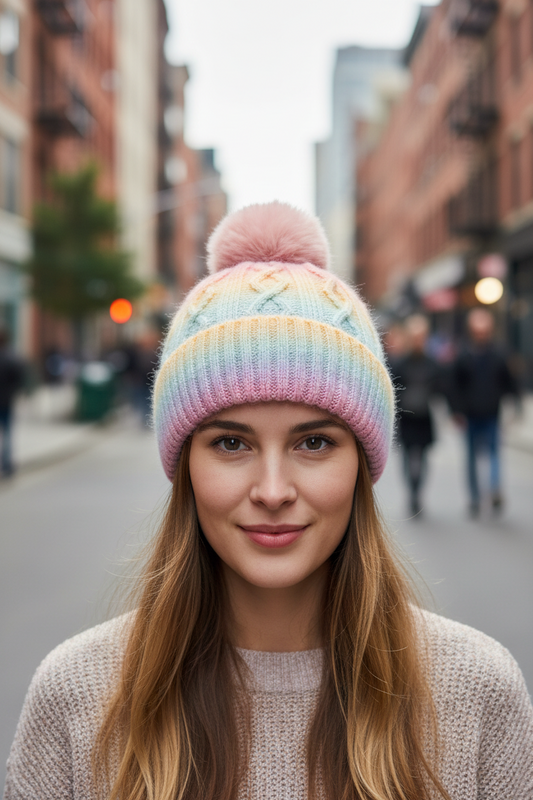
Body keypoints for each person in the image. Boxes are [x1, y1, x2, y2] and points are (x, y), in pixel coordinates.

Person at [4, 204, 533, 800]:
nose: (274, 491)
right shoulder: (75, 698)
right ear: (185, 466)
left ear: (361, 464)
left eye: (314, 442)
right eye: (231, 443)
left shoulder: (479, 694)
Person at [451, 307, 518, 517]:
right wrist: (456, 411)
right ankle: (475, 497)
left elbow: (509, 381)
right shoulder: (463, 356)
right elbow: (454, 385)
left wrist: (515, 403)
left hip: (491, 413)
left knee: (493, 453)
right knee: (471, 456)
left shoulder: (498, 354)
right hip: (470, 415)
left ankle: (494, 488)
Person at [395, 315, 441, 517]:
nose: (418, 341)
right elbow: (393, 387)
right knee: (407, 456)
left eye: (421, 337)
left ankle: (418, 490)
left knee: (422, 457)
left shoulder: (432, 363)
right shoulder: (400, 363)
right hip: (406, 417)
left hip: (423, 416)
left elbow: (441, 387)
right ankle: (412, 490)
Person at [0, 326, 25, 478]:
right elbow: (19, 379)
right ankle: (7, 464)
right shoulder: (11, 358)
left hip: (5, 400)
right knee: (7, 433)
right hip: (6, 401)